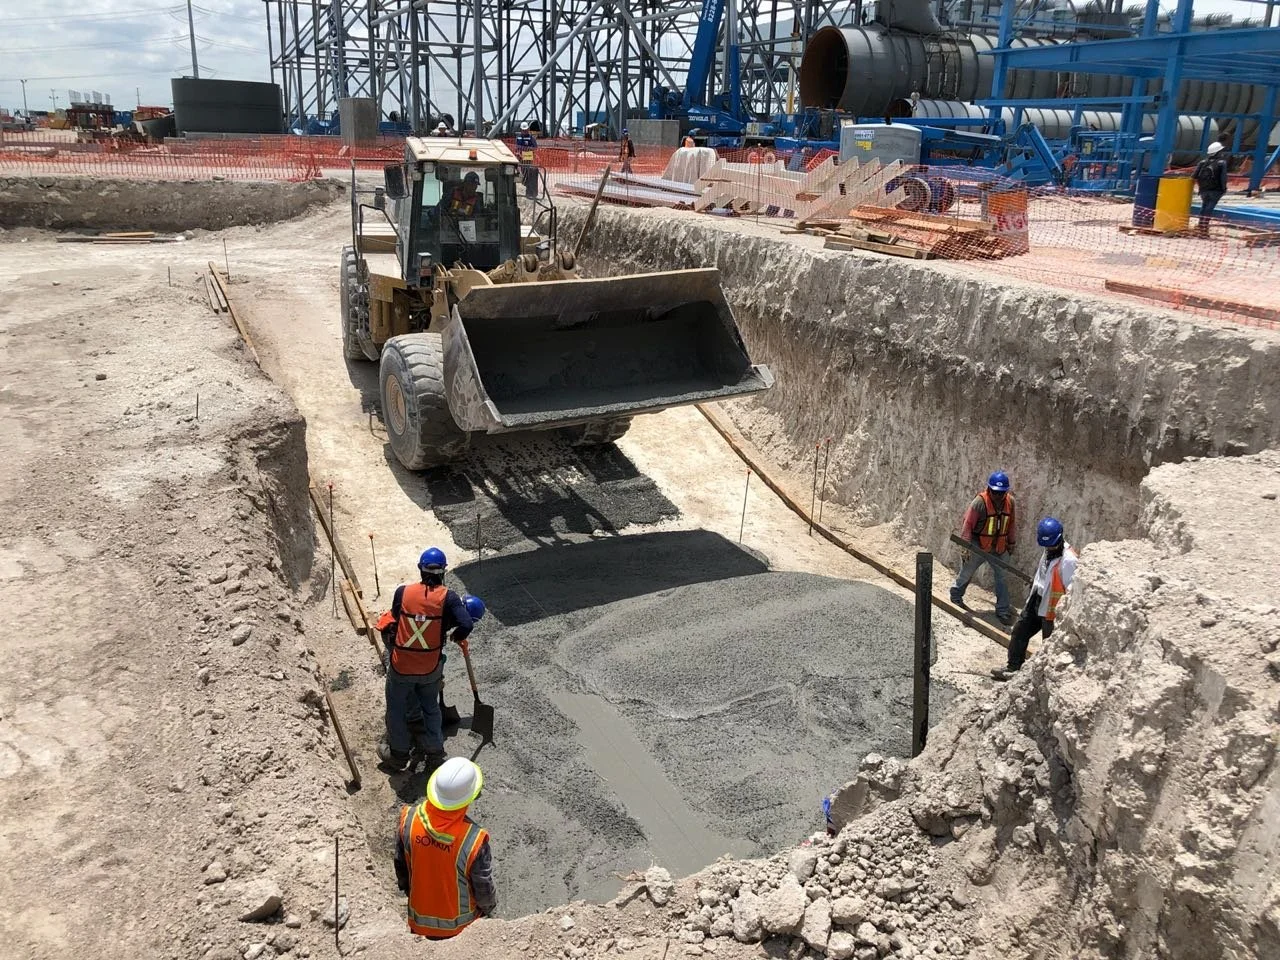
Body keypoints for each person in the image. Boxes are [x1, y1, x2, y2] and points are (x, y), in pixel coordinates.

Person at [378, 547, 473, 772]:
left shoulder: (403, 592)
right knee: (431, 708)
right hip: (430, 667)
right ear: (443, 571)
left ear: (420, 569)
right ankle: (435, 753)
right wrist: (455, 635)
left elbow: (396, 615)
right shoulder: (449, 598)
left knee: (396, 709)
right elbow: (467, 623)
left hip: (402, 666)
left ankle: (399, 755)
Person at [395, 757, 496, 937]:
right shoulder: (473, 840)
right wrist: (489, 909)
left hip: (418, 923)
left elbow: (401, 866)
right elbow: (483, 889)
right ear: (470, 797)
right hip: (460, 930)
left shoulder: (409, 819)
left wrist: (409, 891)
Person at [992, 517, 1077, 681]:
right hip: (1037, 599)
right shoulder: (1048, 550)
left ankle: (1046, 679)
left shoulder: (1069, 560)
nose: (1049, 548)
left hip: (1053, 610)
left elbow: (1071, 590)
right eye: (1046, 545)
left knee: (1049, 645)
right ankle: (1013, 667)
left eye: (1051, 545)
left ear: (1059, 539)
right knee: (1019, 631)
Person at [949, 471, 1017, 625]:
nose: (997, 495)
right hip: (978, 544)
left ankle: (1003, 610)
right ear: (989, 489)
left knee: (1002, 578)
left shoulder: (1010, 502)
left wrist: (1011, 543)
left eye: (1001, 493)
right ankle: (956, 595)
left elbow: (1011, 523)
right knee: (966, 572)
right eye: (995, 492)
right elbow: (968, 524)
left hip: (999, 547)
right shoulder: (979, 503)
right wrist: (965, 547)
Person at [1194, 141, 1228, 236]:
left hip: (1203, 190)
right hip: (1216, 190)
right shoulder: (1222, 163)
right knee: (1209, 208)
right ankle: (1204, 229)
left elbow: (1194, 176)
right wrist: (1224, 188)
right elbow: (1223, 178)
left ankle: (1201, 226)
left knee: (1204, 207)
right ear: (1218, 152)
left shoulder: (1202, 162)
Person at [514, 121, 539, 199]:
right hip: (520, 158)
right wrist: (517, 153)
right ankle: (525, 183)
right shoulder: (518, 138)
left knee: (528, 173)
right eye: (523, 130)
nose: (525, 131)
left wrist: (529, 149)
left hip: (528, 158)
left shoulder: (531, 138)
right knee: (522, 172)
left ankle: (528, 187)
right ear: (521, 130)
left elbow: (535, 147)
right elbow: (516, 147)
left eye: (526, 130)